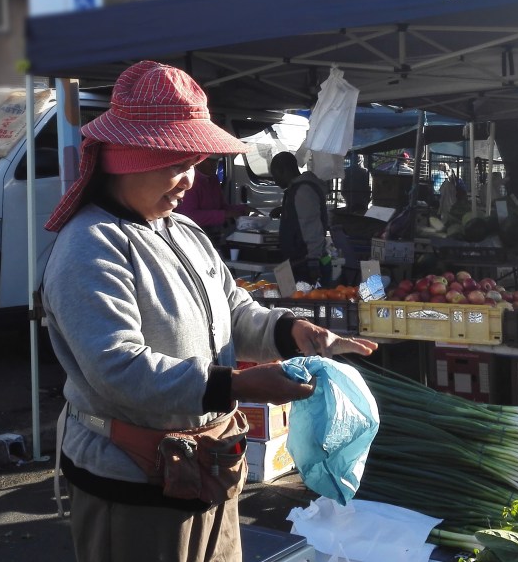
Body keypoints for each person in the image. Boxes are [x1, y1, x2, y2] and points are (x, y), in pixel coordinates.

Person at [40, 61, 378, 562]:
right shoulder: (89, 247)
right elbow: (117, 368)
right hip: (133, 479)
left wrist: (292, 332)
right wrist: (237, 385)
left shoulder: (185, 233)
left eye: (193, 162)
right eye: (176, 164)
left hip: (209, 467)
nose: (187, 180)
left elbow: (234, 311)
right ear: (127, 159)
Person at [269, 151, 333, 286]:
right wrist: (284, 210)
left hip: (307, 265)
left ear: (283, 170)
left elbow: (312, 228)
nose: (274, 180)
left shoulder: (303, 191)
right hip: (298, 263)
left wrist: (313, 262)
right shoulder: (297, 190)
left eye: (275, 175)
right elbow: (303, 215)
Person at [174, 155, 256, 245]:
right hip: (193, 234)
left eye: (216, 162)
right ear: (200, 161)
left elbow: (221, 206)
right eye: (211, 161)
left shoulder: (213, 179)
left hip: (214, 233)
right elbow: (189, 216)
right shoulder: (190, 182)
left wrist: (243, 209)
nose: (215, 165)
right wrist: (224, 215)